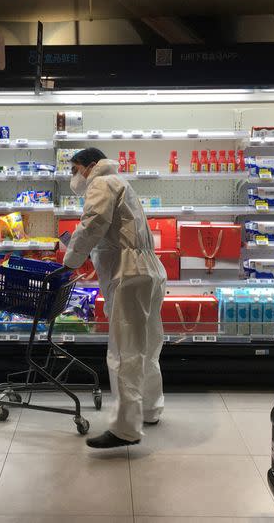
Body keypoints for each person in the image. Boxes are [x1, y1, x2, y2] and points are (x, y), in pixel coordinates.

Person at [61, 147, 167, 449]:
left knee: (124, 351)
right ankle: (149, 409)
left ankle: (124, 429)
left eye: (75, 169)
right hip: (148, 270)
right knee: (146, 346)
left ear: (91, 166)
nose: (73, 176)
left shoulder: (102, 183)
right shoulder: (121, 182)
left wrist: (70, 260)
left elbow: (93, 224)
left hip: (130, 273)